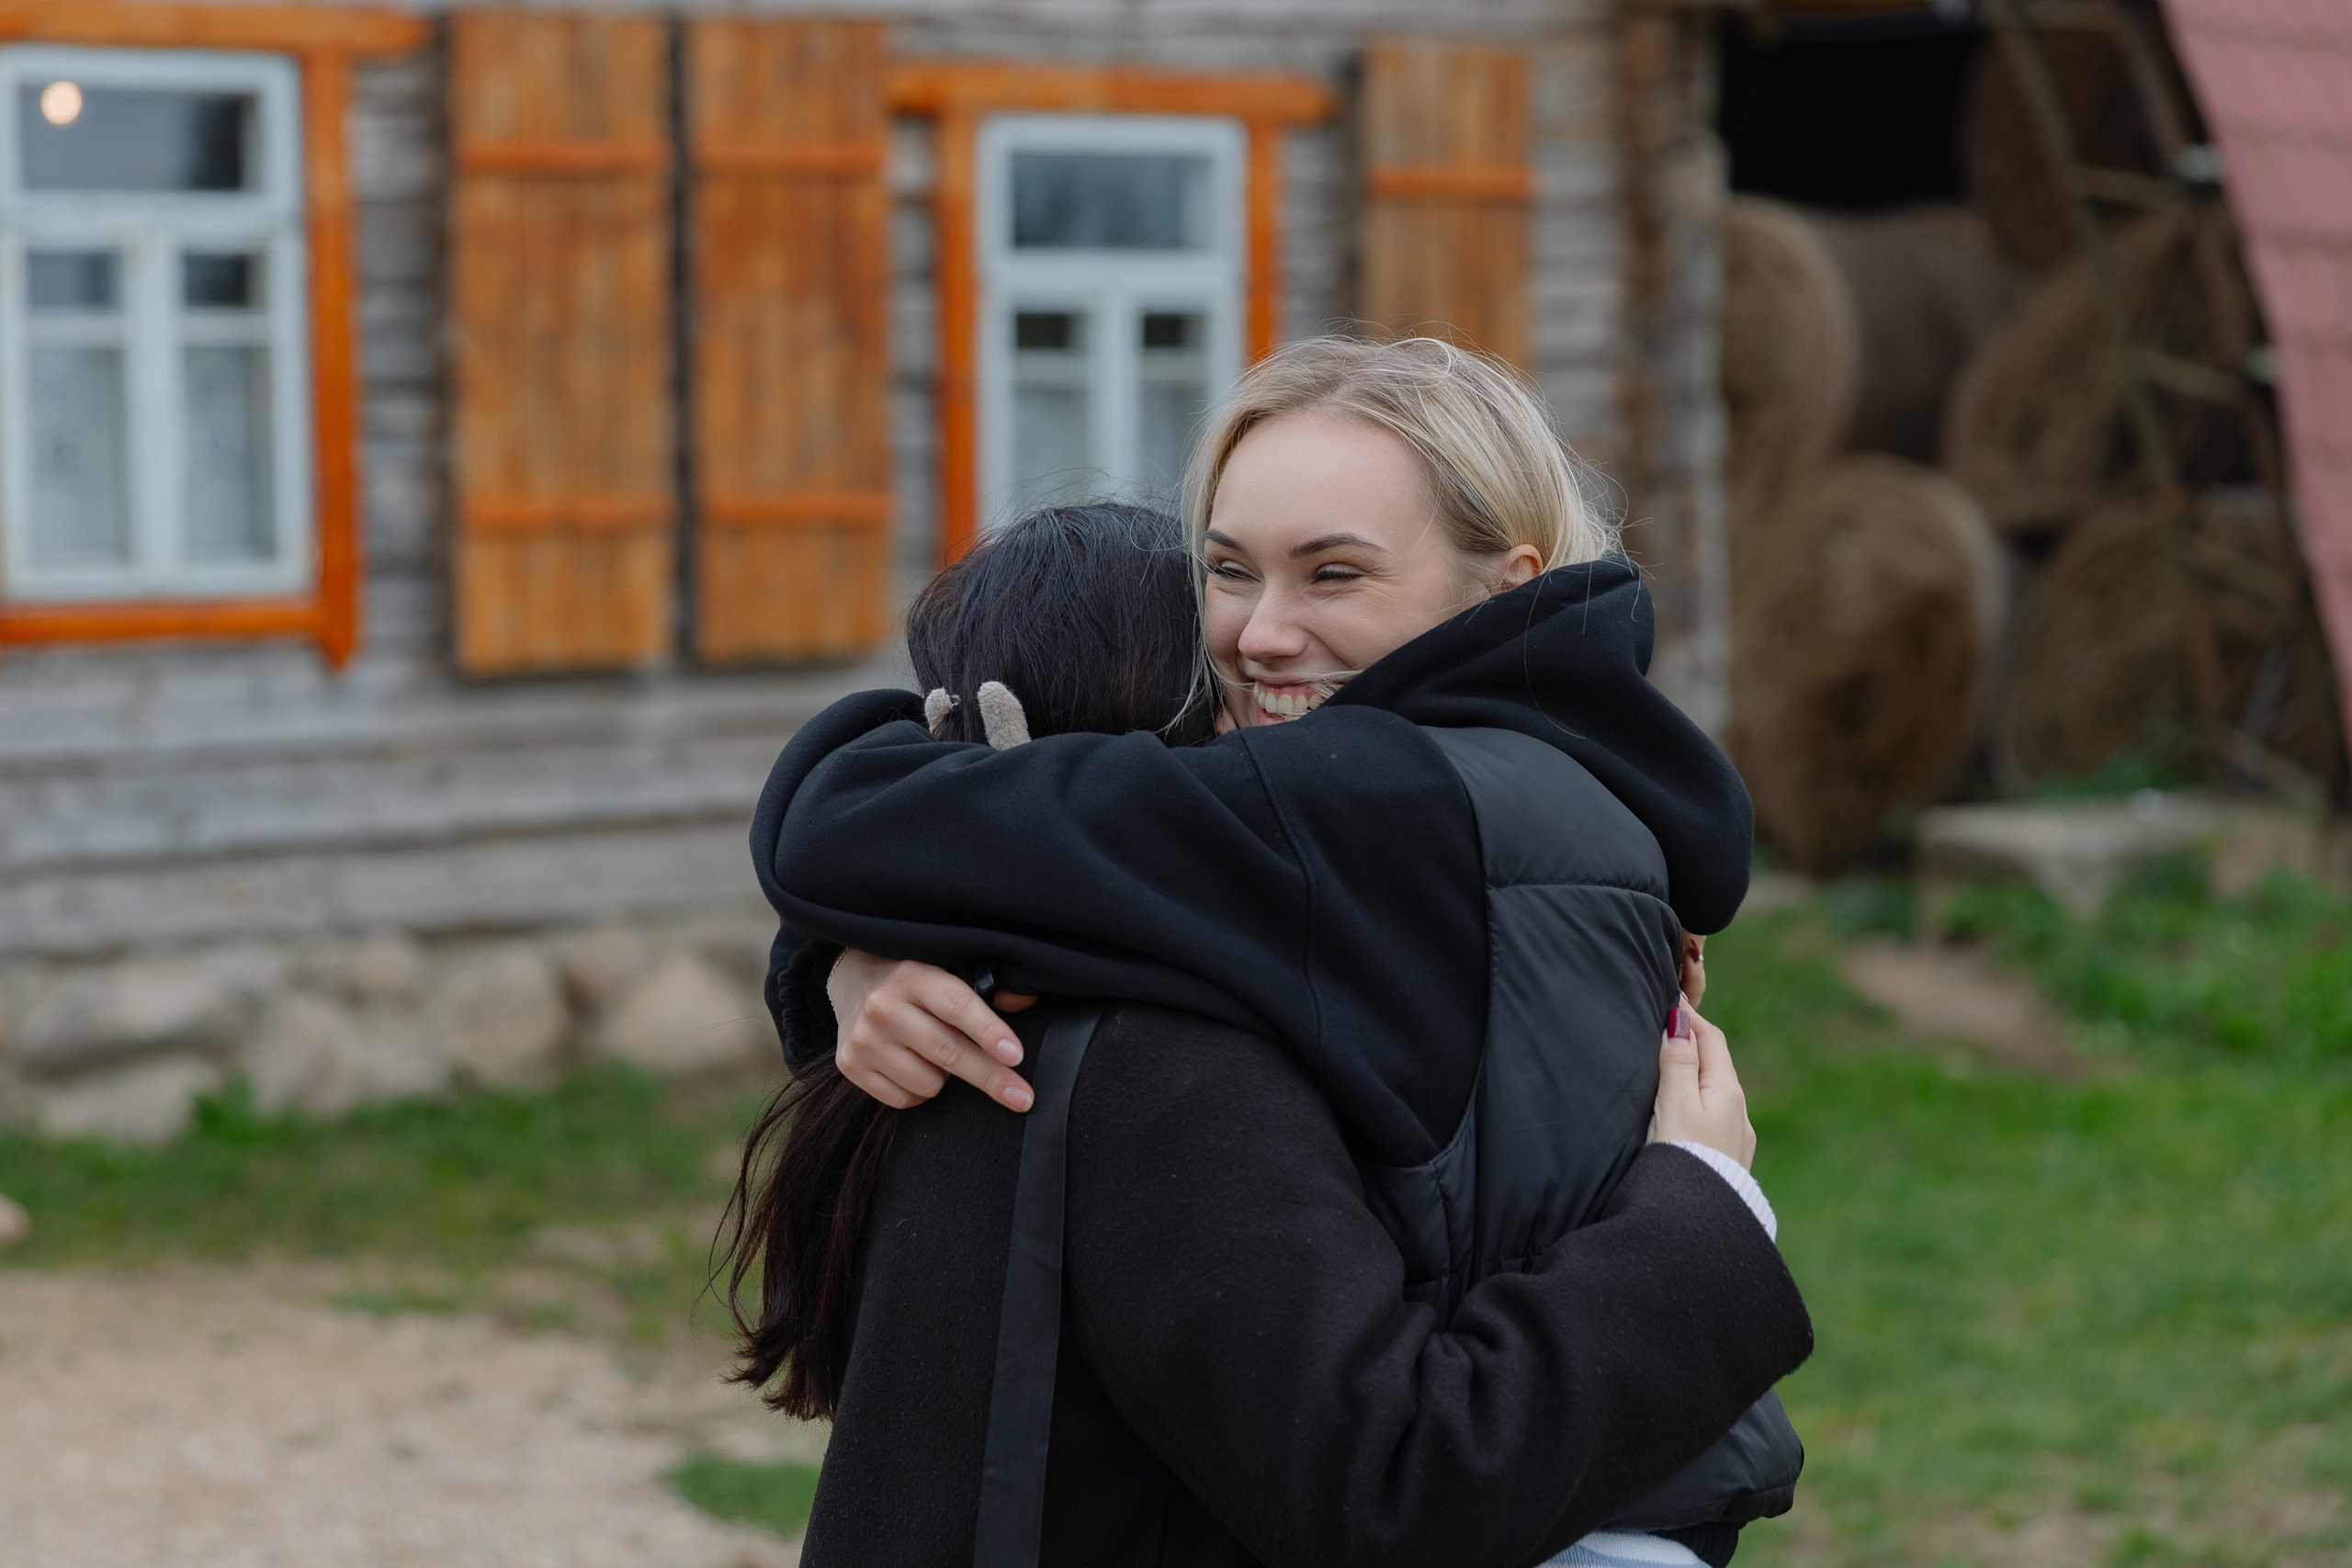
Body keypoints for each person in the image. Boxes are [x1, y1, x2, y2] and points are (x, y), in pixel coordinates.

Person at [752, 339, 1794, 1561]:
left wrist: (1702, 1215)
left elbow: (847, 822)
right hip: (1616, 1496)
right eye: (1228, 570)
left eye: (1335, 574)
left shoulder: (1371, 803)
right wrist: (853, 970)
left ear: (1500, 588)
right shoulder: (1594, 785)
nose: (1258, 634)